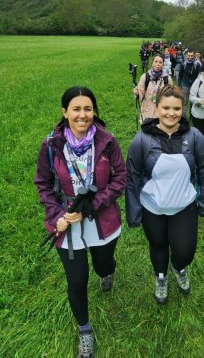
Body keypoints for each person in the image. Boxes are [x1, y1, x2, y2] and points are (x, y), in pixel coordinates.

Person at [34, 86, 127, 358]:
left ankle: (107, 272)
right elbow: (43, 184)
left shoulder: (107, 141)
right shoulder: (51, 145)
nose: (82, 115)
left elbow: (120, 179)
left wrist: (92, 205)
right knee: (76, 281)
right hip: (67, 223)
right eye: (76, 109)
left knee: (102, 265)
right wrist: (56, 216)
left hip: (103, 220)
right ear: (65, 112)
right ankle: (84, 330)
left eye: (88, 109)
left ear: (94, 111)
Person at [126, 84, 204, 305]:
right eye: (166, 107)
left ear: (182, 109)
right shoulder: (142, 139)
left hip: (184, 206)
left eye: (176, 108)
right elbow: (133, 177)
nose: (171, 113)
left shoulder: (194, 137)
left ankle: (178, 267)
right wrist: (134, 212)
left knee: (185, 251)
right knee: (157, 245)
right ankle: (161, 277)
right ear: (157, 108)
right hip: (152, 207)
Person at [134, 53, 173, 122]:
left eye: (160, 62)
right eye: (156, 62)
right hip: (147, 113)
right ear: (152, 63)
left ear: (163, 64)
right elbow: (141, 96)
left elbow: (171, 95)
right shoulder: (145, 77)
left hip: (162, 114)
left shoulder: (167, 79)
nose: (158, 64)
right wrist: (137, 93)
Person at [178, 50, 202, 116]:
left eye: (191, 56)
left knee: (193, 101)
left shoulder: (197, 64)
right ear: (186, 55)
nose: (190, 57)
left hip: (195, 85)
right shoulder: (183, 64)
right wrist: (178, 85)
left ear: (194, 56)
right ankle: (183, 118)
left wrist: (200, 85)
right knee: (185, 101)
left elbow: (200, 75)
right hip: (185, 84)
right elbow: (180, 75)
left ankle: (192, 116)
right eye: (189, 55)